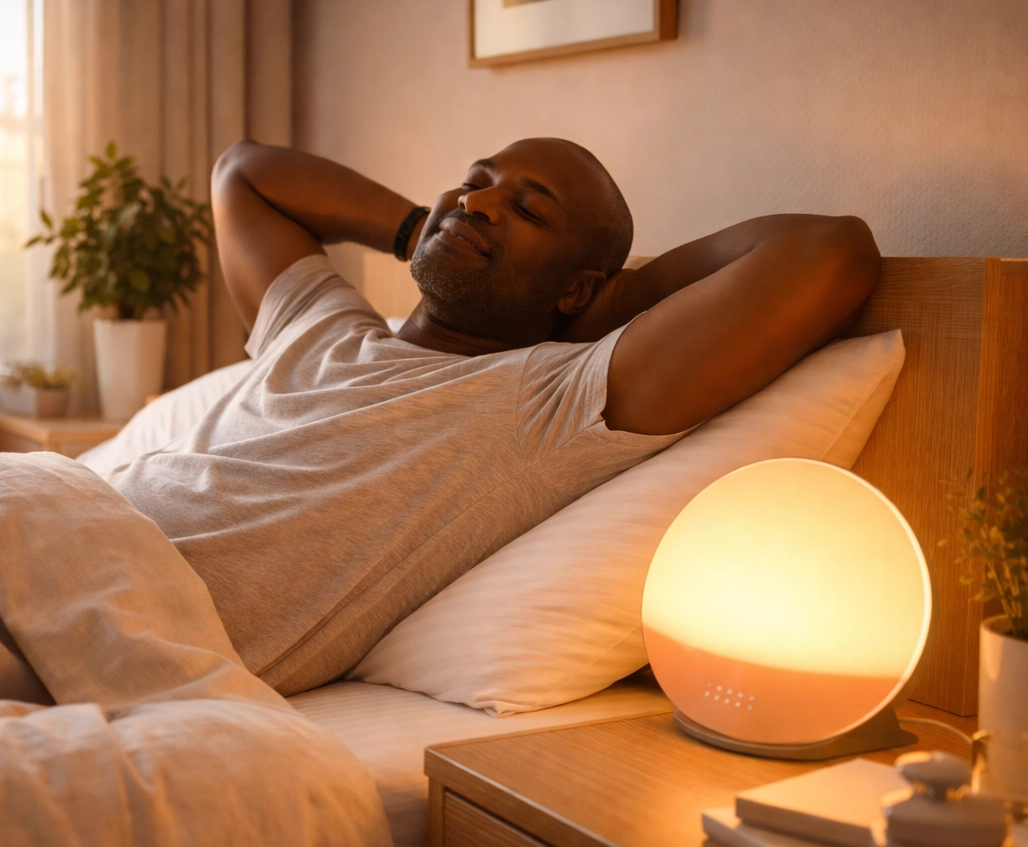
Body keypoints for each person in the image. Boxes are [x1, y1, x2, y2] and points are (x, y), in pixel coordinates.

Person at [106, 138, 880, 696]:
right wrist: (425, 227)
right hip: (64, 520)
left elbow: (829, 253)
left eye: (527, 210)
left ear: (576, 289)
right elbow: (244, 173)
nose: (477, 202)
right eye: (474, 182)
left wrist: (606, 303)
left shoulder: (541, 402)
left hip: (119, 618)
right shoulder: (319, 327)